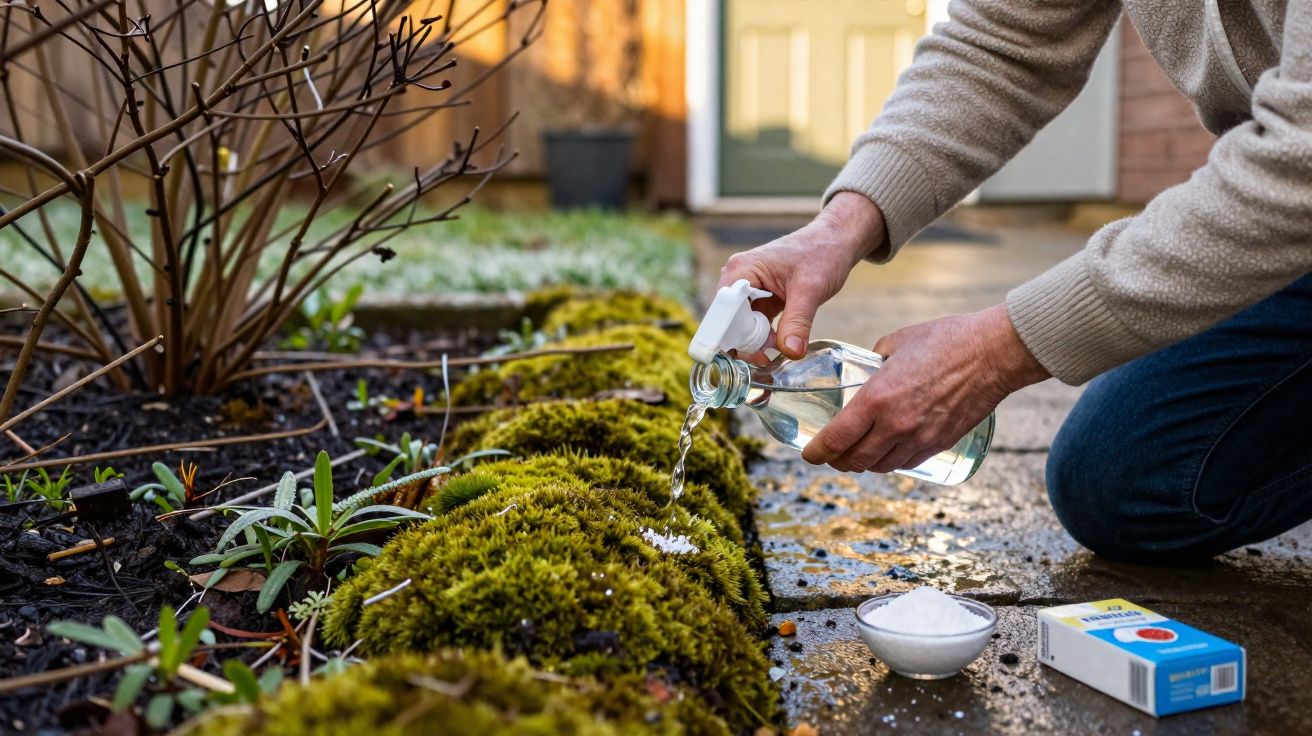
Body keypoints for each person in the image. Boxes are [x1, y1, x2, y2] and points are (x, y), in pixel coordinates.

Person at [718, 0, 1311, 564]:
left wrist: (991, 355)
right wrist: (838, 228)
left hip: (1291, 192)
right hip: (1287, 232)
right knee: (1124, 482)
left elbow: (1299, 162)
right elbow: (1002, 44)